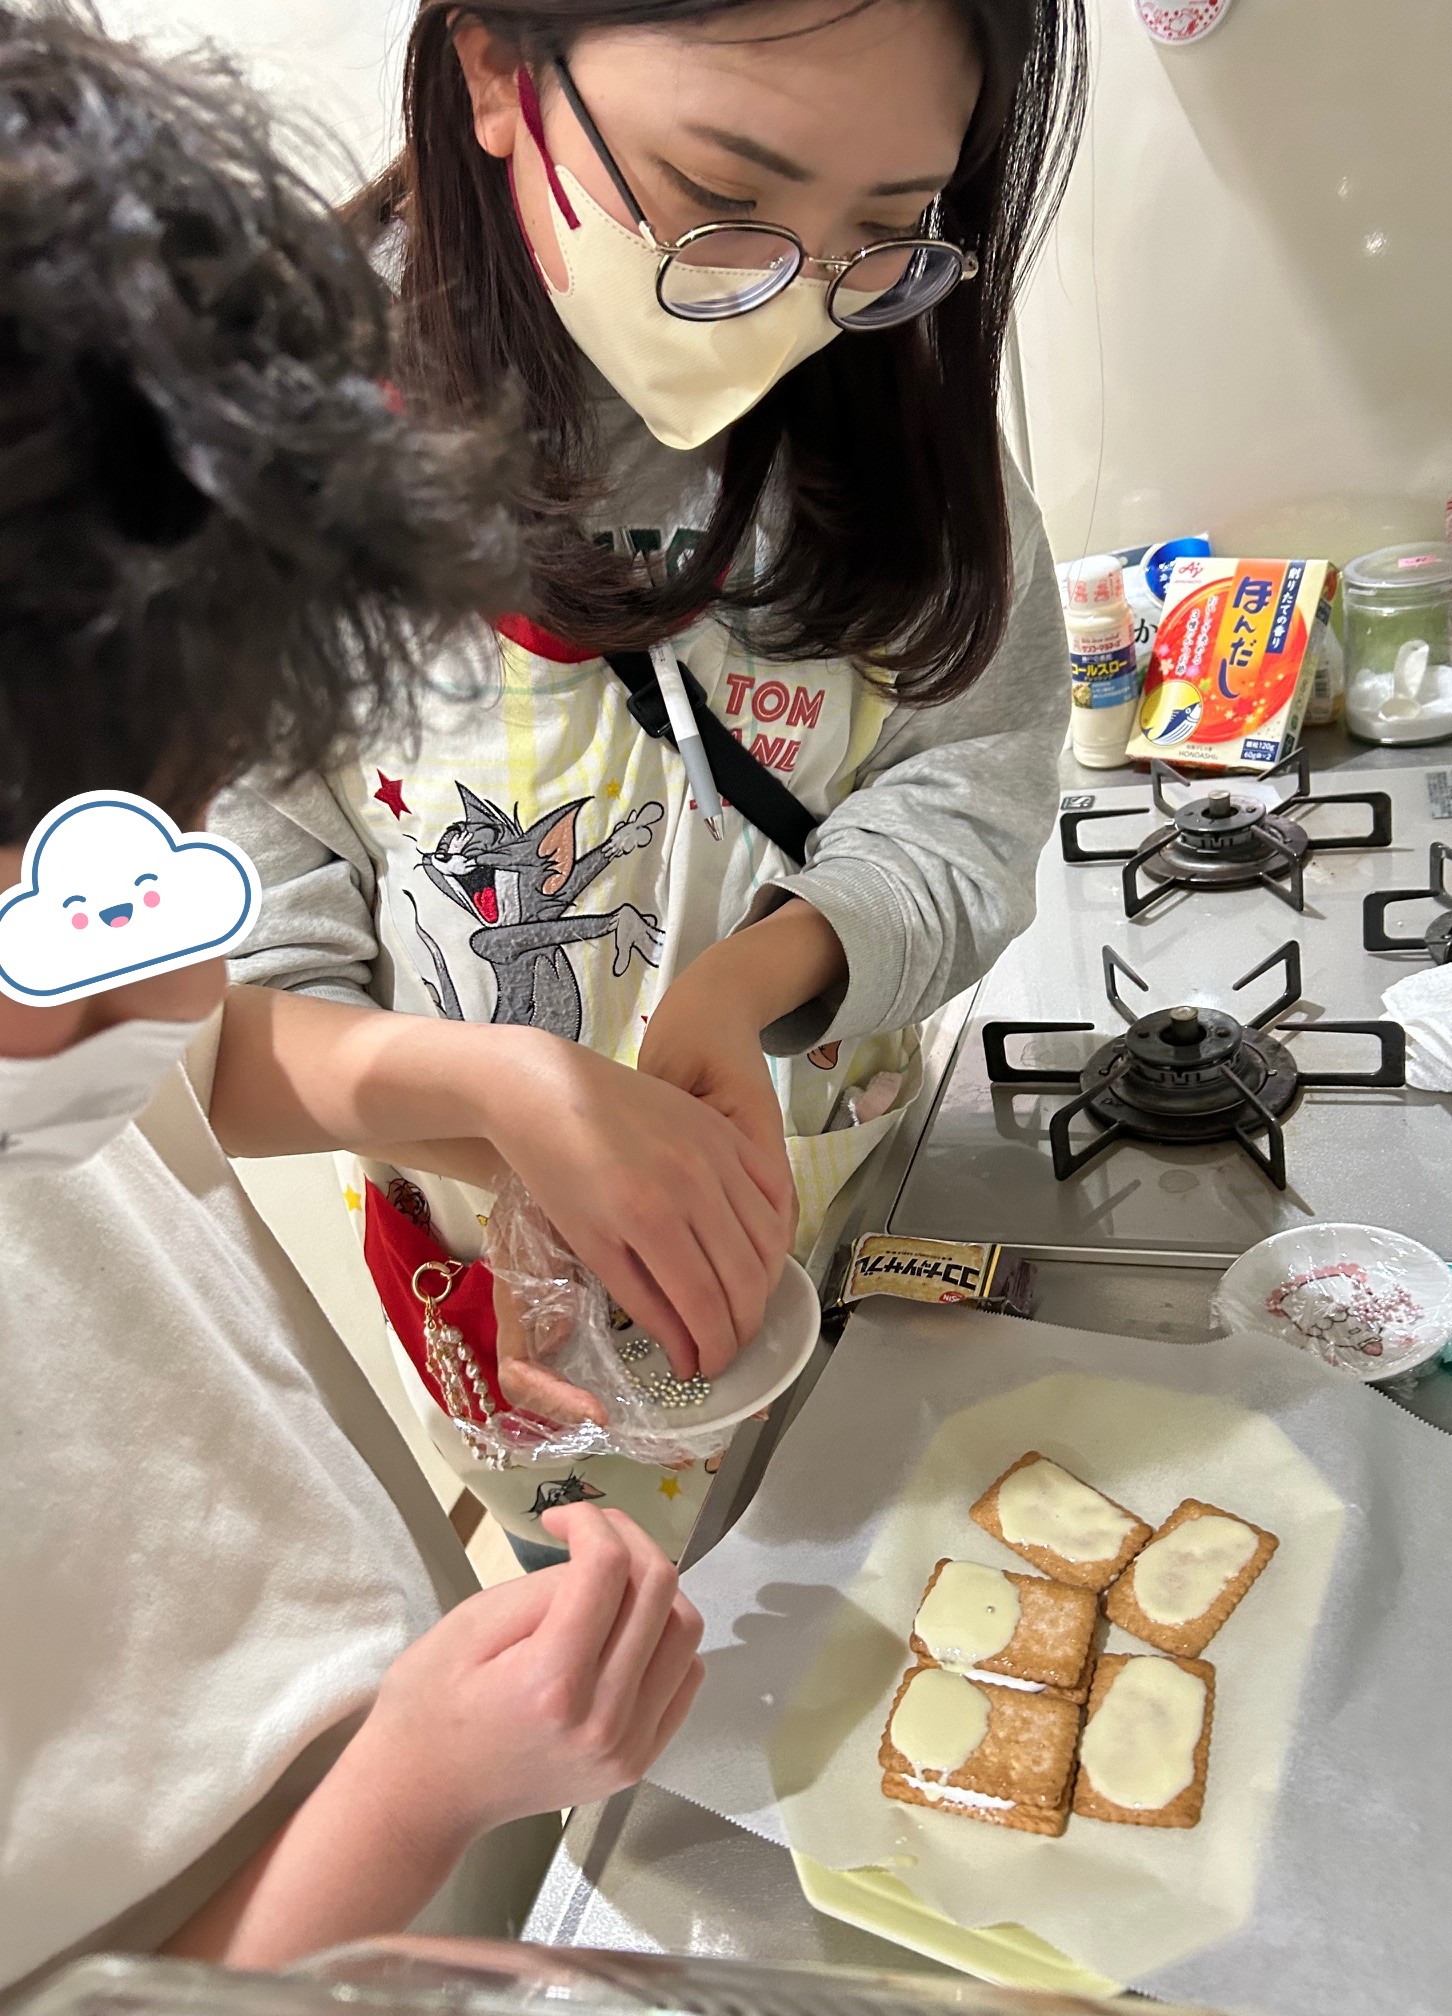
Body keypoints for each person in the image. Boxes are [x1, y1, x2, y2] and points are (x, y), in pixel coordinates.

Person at [0, 8, 711, 1987]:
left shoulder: (70, 967)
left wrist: (495, 1092)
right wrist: (410, 1785)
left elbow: (175, 1060)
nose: (176, 960)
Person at [217, 0, 1085, 1566]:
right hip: (509, 1298)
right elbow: (218, 1025)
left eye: (885, 229)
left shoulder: (891, 416)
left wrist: (753, 983)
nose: (794, 301)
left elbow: (971, 785)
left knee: (872, 1566)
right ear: (498, 69)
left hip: (845, 1209)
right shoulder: (267, 485)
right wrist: (503, 1112)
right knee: (624, 1640)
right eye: (722, 199)